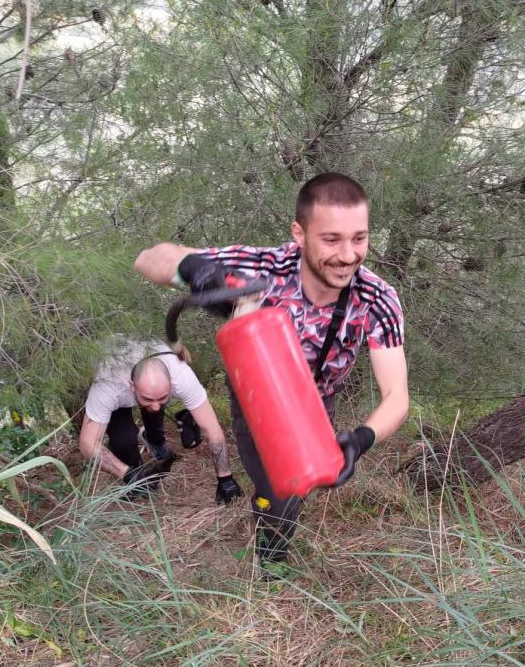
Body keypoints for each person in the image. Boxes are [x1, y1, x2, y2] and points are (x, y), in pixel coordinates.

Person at [134, 173, 409, 575]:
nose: (348, 255)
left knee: (298, 487)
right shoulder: (264, 267)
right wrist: (194, 268)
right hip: (253, 399)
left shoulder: (376, 298)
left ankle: (273, 533)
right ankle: (270, 549)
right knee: (274, 485)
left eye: (359, 238)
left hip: (316, 402)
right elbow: (149, 258)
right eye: (331, 239)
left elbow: (397, 395)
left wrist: (362, 439)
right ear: (299, 233)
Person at [79, 336, 242, 502]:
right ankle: (136, 474)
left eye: (163, 397)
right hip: (115, 376)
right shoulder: (108, 386)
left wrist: (225, 478)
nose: (156, 405)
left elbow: (212, 428)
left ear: (171, 383)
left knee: (154, 412)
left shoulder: (182, 376)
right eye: (148, 398)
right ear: (132, 386)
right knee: (124, 440)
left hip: (149, 375)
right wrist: (128, 474)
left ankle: (154, 440)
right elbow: (87, 444)